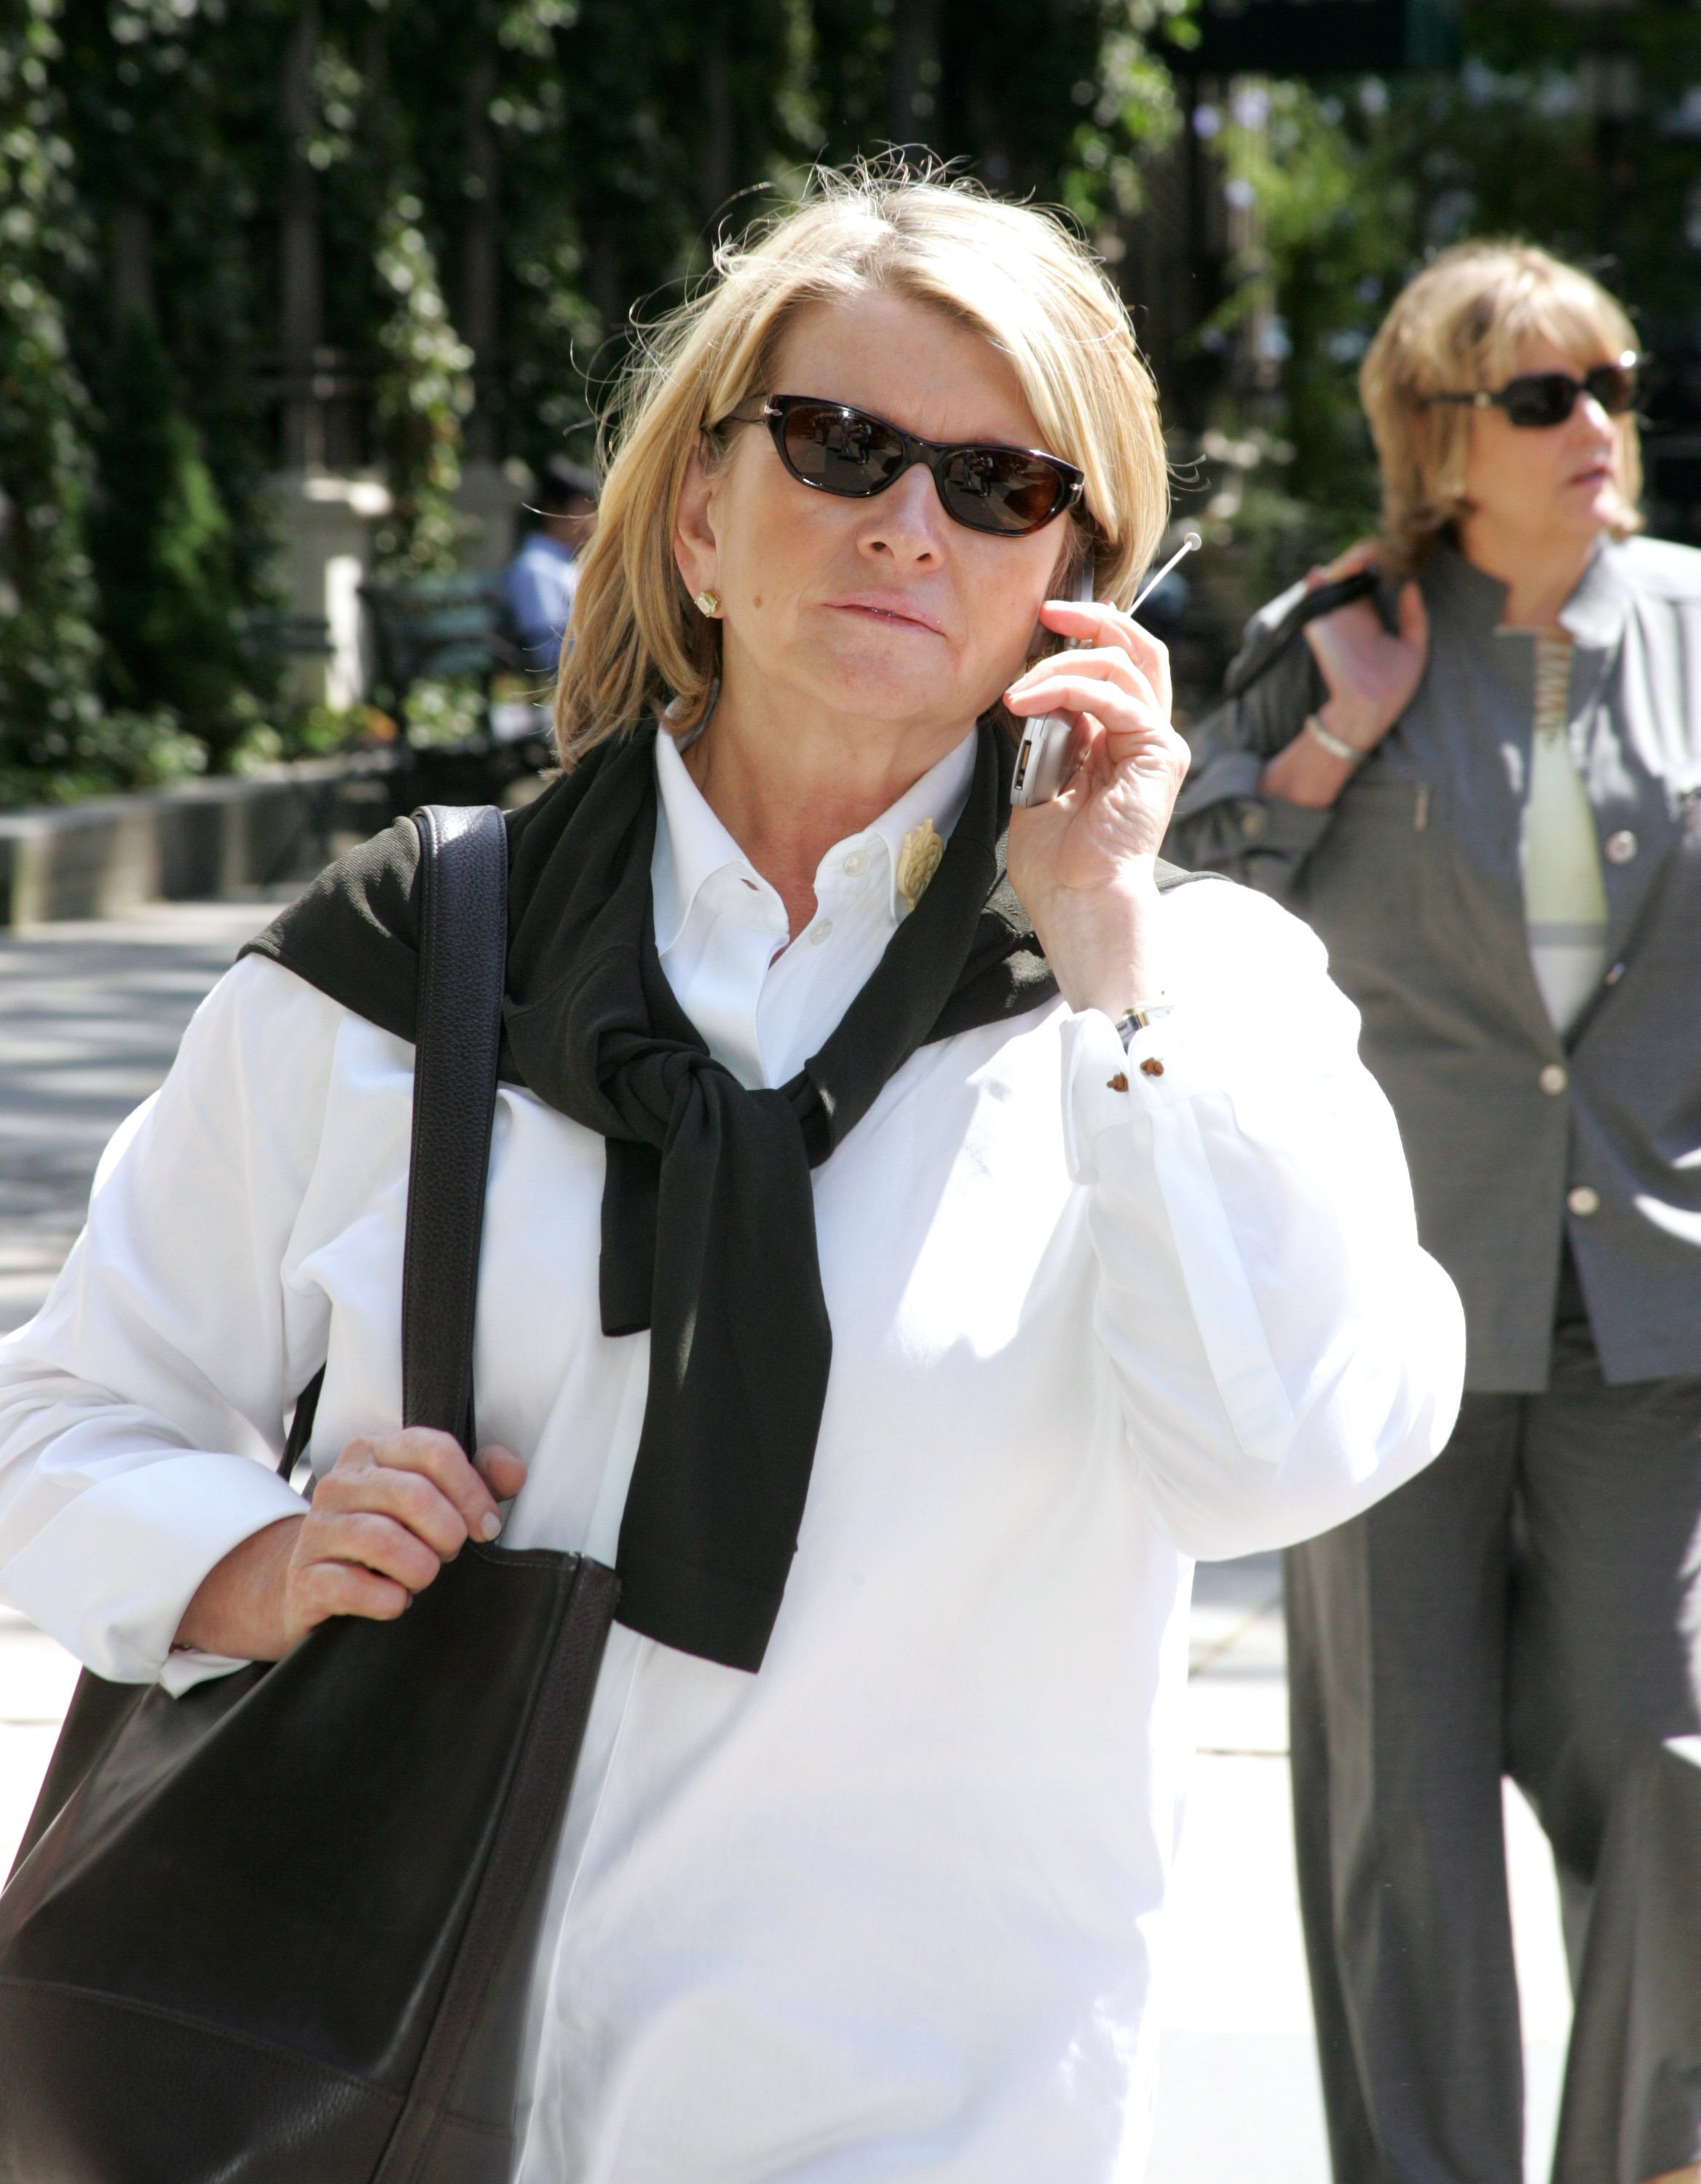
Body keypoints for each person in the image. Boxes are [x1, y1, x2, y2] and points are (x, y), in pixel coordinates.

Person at [0, 170, 1462, 2182]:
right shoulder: (408, 965)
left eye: (999, 486)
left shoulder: (1190, 1011)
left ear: (1085, 594)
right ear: (699, 514)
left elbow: (1286, 1455)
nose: (907, 521)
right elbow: (64, 1416)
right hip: (369, 2094)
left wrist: (1111, 954)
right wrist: (237, 1564)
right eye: (842, 443)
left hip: (930, 2120)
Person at [1167, 240, 1701, 2184]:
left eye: (1617, 385)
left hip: (1650, 1308)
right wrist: (1332, 731)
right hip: (1391, 1308)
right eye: (1549, 397)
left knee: (1668, 1763)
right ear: (1437, 436)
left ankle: (1647, 2161)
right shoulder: (1341, 635)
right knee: (1399, 1811)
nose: (1600, 430)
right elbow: (1187, 900)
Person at [503, 452, 598, 669]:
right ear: (552, 511)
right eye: (583, 509)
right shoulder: (536, 568)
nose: (592, 520)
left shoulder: (567, 562)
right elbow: (547, 649)